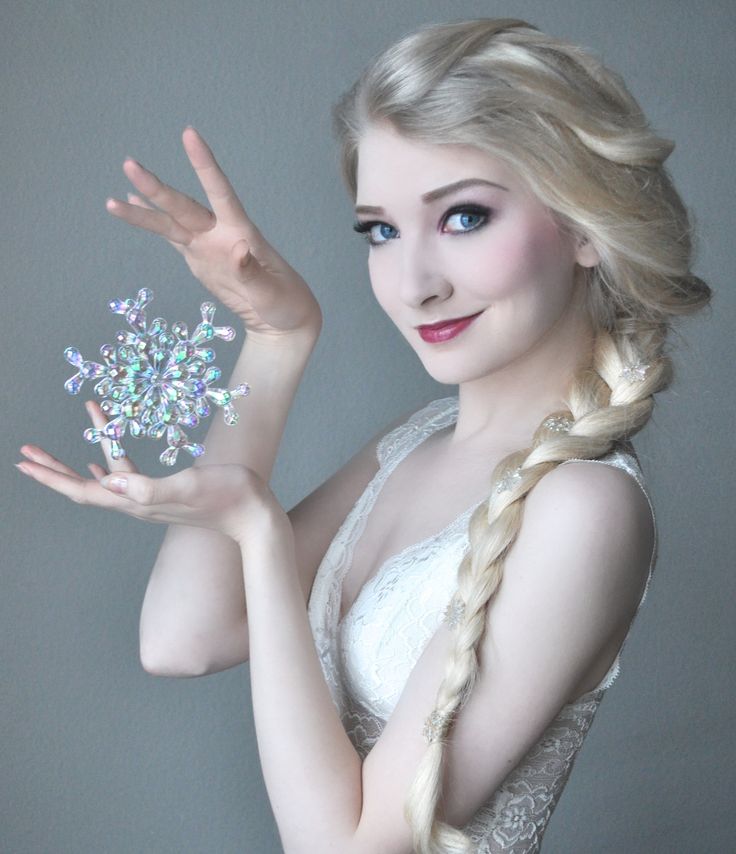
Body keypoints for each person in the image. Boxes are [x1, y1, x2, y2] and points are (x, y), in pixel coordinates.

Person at [17, 18, 710, 854]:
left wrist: (259, 531)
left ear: (586, 225)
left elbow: (350, 848)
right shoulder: (418, 441)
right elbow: (181, 637)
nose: (413, 285)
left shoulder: (584, 507)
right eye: (380, 230)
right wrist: (275, 342)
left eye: (462, 217)